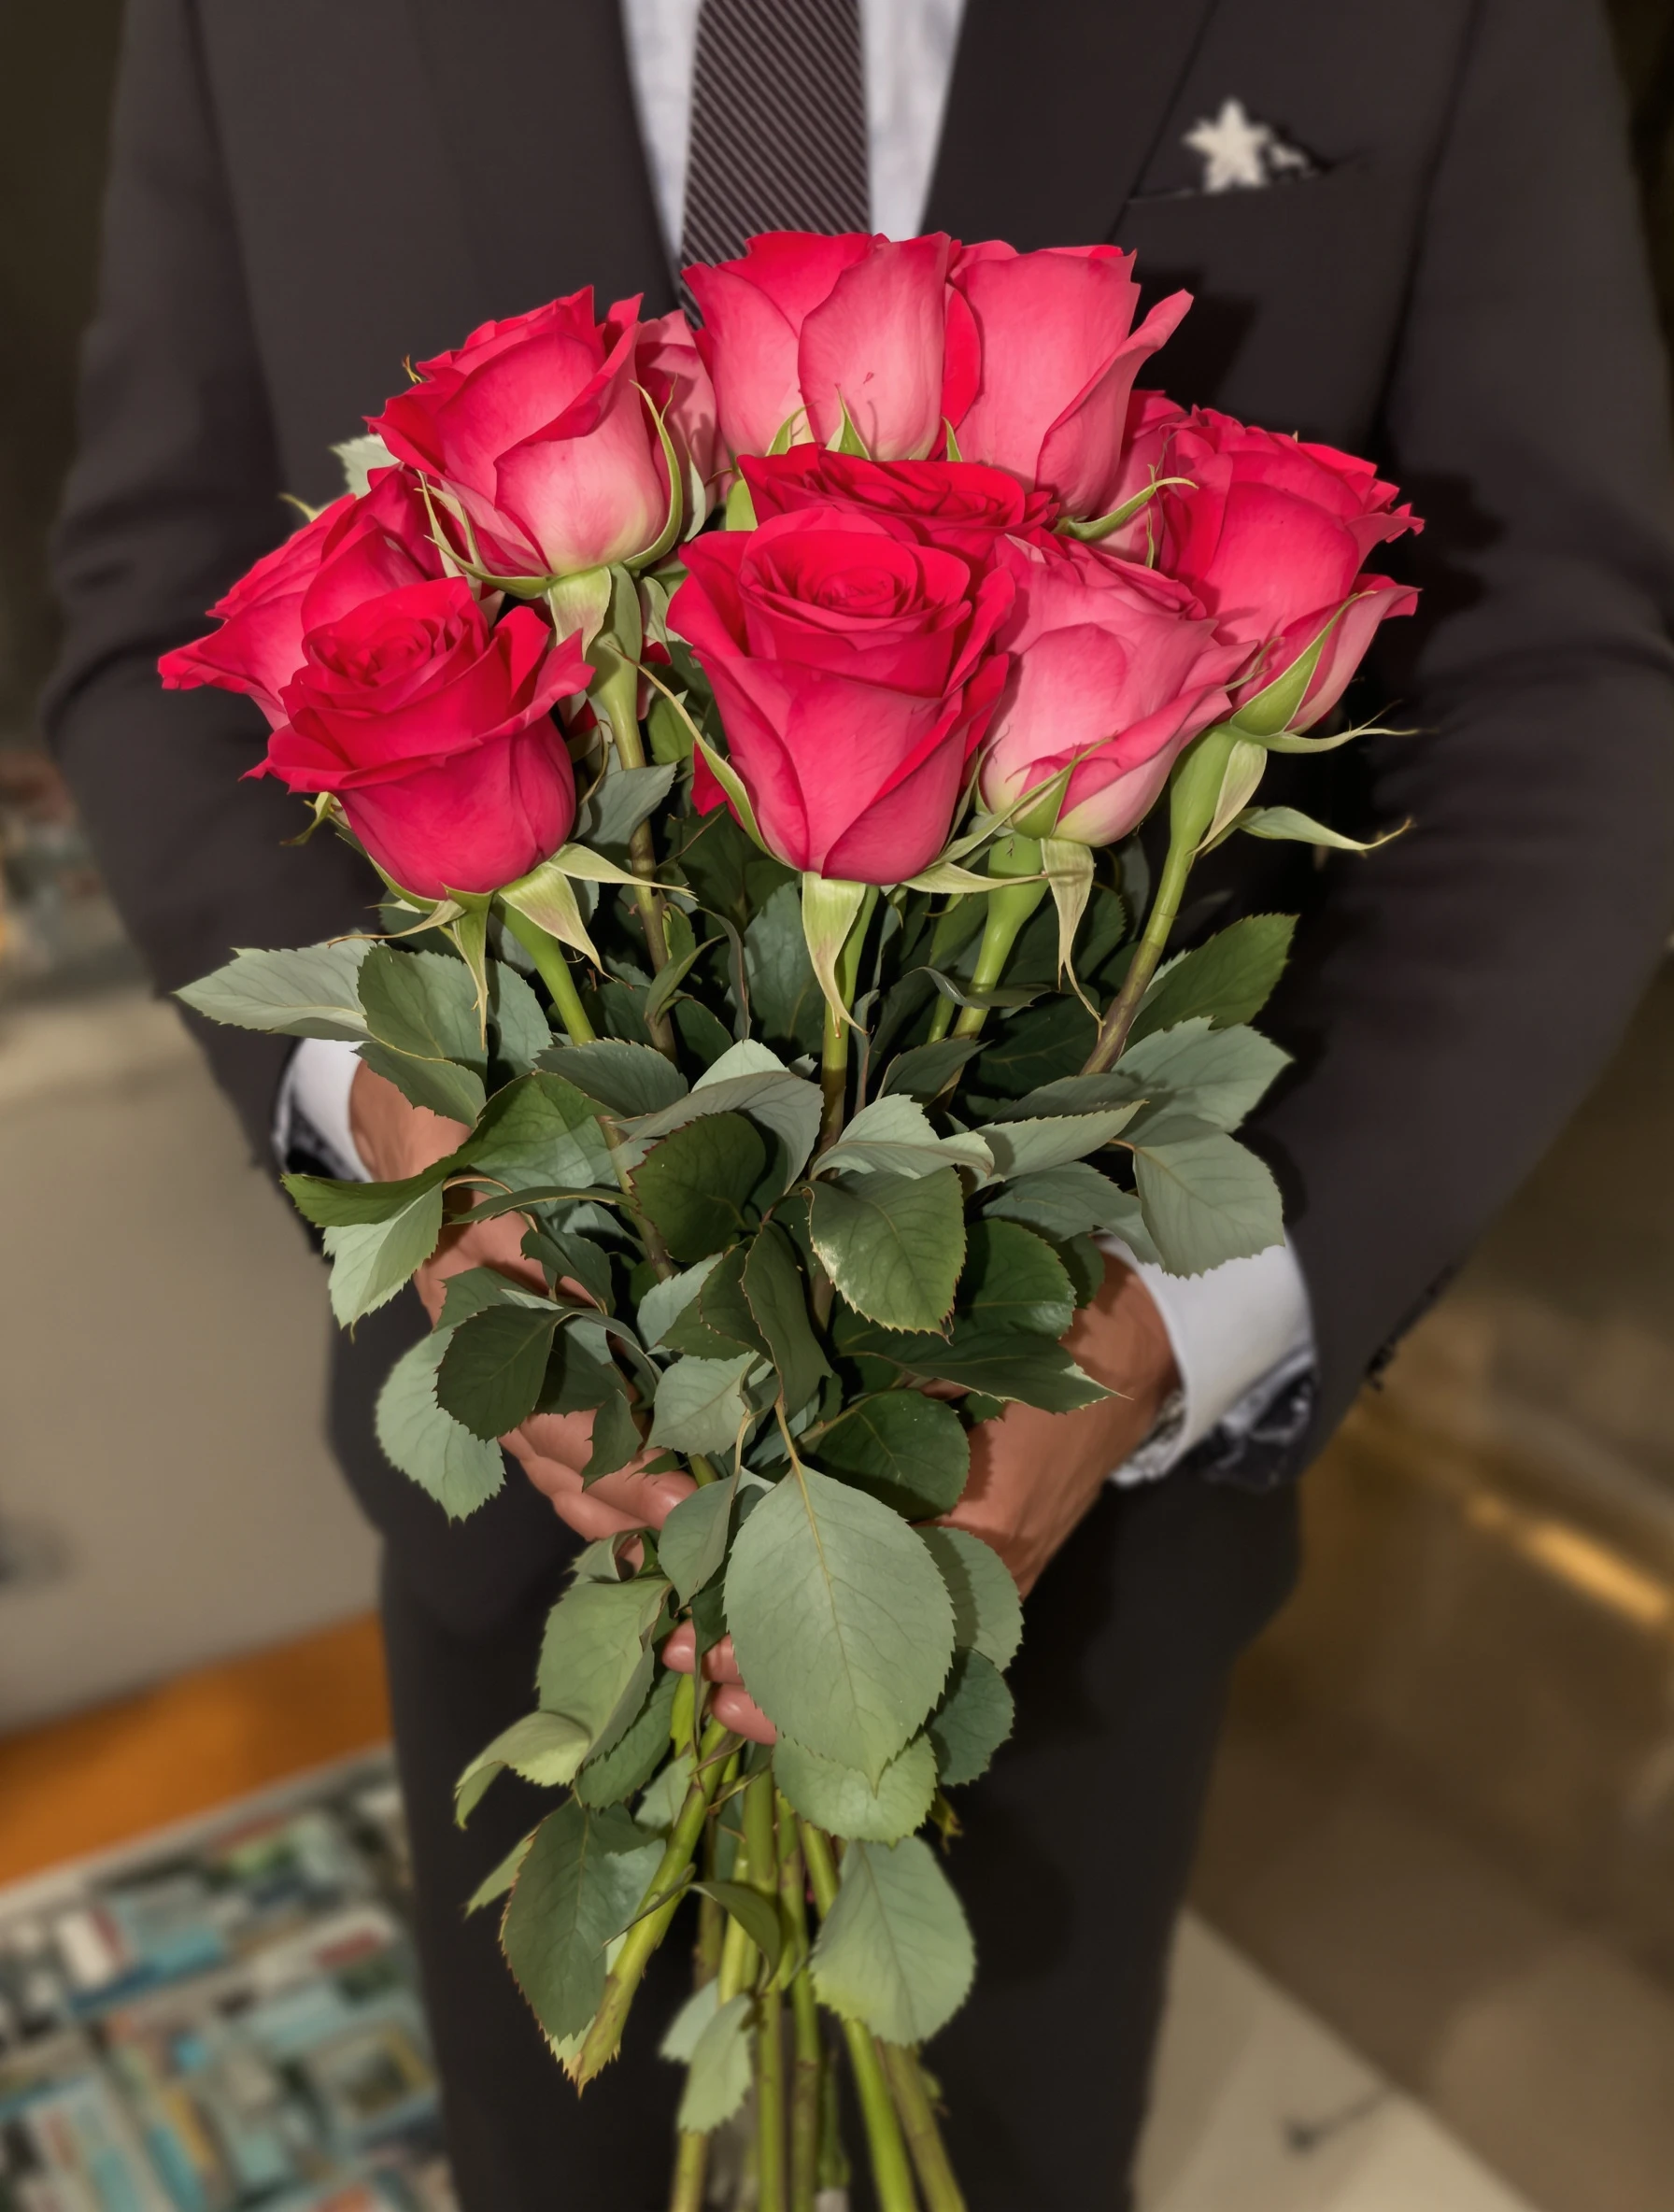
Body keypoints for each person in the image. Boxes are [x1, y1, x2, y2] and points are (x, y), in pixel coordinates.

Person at [44, 2, 1674, 2205]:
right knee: (570, 2135)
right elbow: (152, 587)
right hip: (524, 1484)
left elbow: (1565, 677)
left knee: (1003, 2128)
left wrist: (1177, 1319)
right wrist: (402, 1121)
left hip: (1095, 1508)